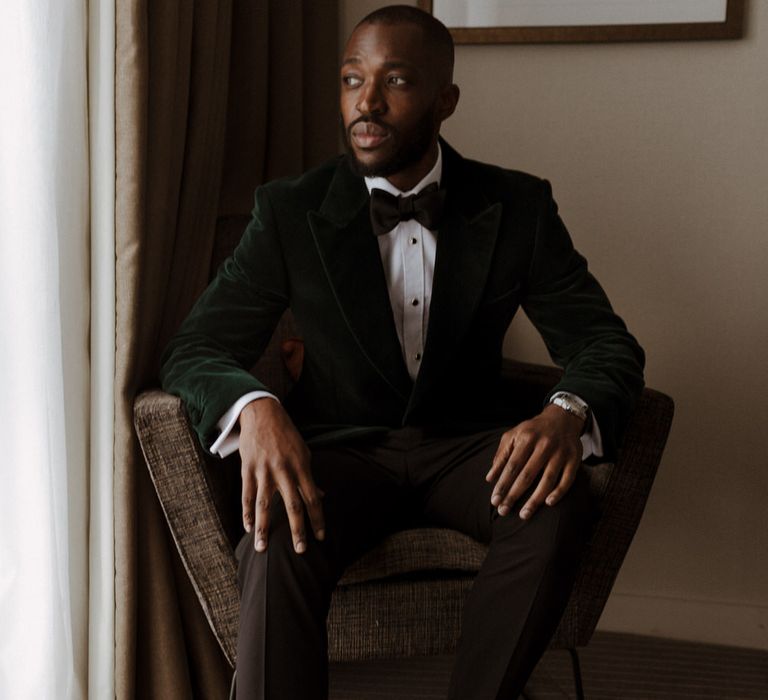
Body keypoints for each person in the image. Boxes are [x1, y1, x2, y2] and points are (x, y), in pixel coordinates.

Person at [160, 5, 644, 699]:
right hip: (340, 450)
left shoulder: (516, 205)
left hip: (467, 447)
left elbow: (604, 342)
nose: (367, 102)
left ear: (445, 100)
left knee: (552, 507)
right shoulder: (290, 211)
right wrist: (258, 407)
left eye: (396, 81)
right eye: (352, 79)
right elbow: (196, 348)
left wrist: (567, 410)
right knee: (273, 535)